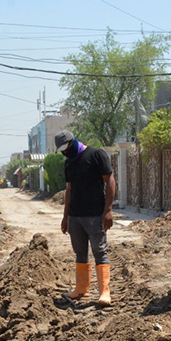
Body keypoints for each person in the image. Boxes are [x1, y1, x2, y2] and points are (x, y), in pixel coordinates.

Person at [56, 129, 116, 306]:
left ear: (73, 141)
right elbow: (69, 190)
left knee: (99, 252)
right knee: (80, 253)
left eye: (65, 148)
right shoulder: (69, 163)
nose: (64, 152)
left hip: (95, 215)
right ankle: (81, 288)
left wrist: (108, 210)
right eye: (61, 150)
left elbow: (110, 180)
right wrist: (65, 217)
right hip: (75, 217)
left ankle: (105, 292)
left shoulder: (96, 155)